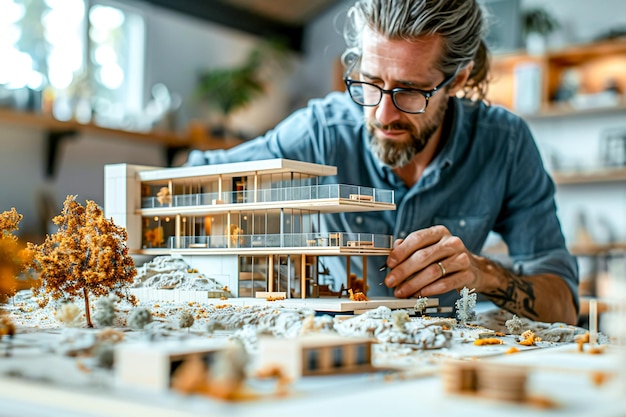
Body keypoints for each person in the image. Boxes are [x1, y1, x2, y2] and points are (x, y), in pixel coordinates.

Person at [186, 0, 579, 324]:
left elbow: (563, 303)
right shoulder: (322, 132)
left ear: (457, 80)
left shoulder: (504, 144)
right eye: (370, 83)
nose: (382, 114)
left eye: (410, 91)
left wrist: (485, 274)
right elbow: (193, 181)